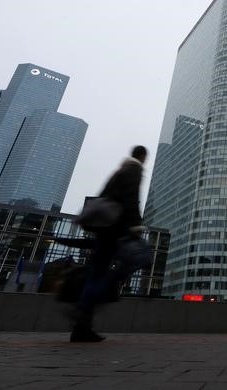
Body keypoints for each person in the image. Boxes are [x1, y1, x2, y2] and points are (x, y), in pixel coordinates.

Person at [70, 145, 148, 343]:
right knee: (141, 257)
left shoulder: (119, 172)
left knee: (97, 272)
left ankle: (82, 325)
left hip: (104, 229)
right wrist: (135, 224)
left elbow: (104, 197)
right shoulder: (134, 170)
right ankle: (94, 299)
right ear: (143, 157)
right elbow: (131, 199)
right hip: (116, 229)